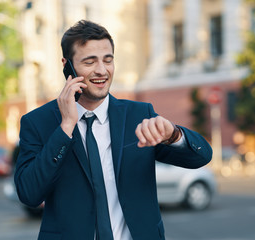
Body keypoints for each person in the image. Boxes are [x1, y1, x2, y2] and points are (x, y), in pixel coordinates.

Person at [14, 20, 212, 240]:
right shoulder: (37, 122)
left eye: (108, 60)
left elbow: (201, 157)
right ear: (66, 65)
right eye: (89, 62)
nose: (102, 70)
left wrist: (173, 135)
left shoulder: (139, 114)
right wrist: (66, 127)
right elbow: (29, 193)